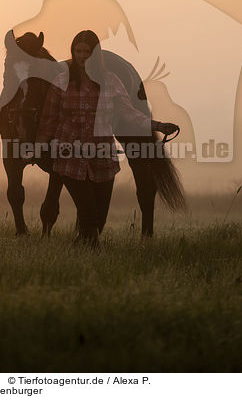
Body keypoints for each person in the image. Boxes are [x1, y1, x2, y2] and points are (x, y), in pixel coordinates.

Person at [36, 30, 178, 247]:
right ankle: (84, 257)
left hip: (103, 159)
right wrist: (39, 147)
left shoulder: (110, 81)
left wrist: (158, 126)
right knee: (90, 217)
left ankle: (82, 250)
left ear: (96, 54)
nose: (82, 56)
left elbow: (129, 113)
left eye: (87, 51)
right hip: (70, 159)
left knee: (98, 222)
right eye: (78, 51)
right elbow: (48, 119)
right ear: (73, 52)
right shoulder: (61, 81)